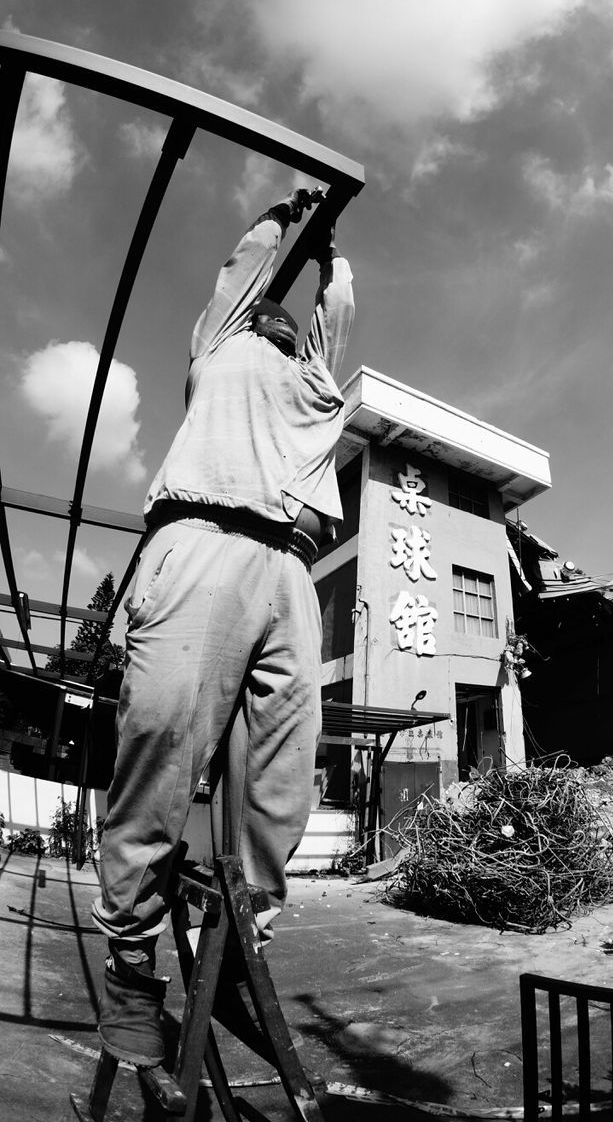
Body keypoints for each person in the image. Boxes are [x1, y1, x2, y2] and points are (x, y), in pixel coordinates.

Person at [92, 187, 354, 1066]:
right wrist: (287, 218)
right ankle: (130, 964)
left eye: (290, 323)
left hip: (288, 569)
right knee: (164, 733)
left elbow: (336, 318)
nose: (282, 328)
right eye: (271, 317)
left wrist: (336, 258)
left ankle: (242, 948)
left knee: (286, 764)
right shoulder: (223, 344)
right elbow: (244, 276)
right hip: (201, 537)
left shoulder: (313, 380)